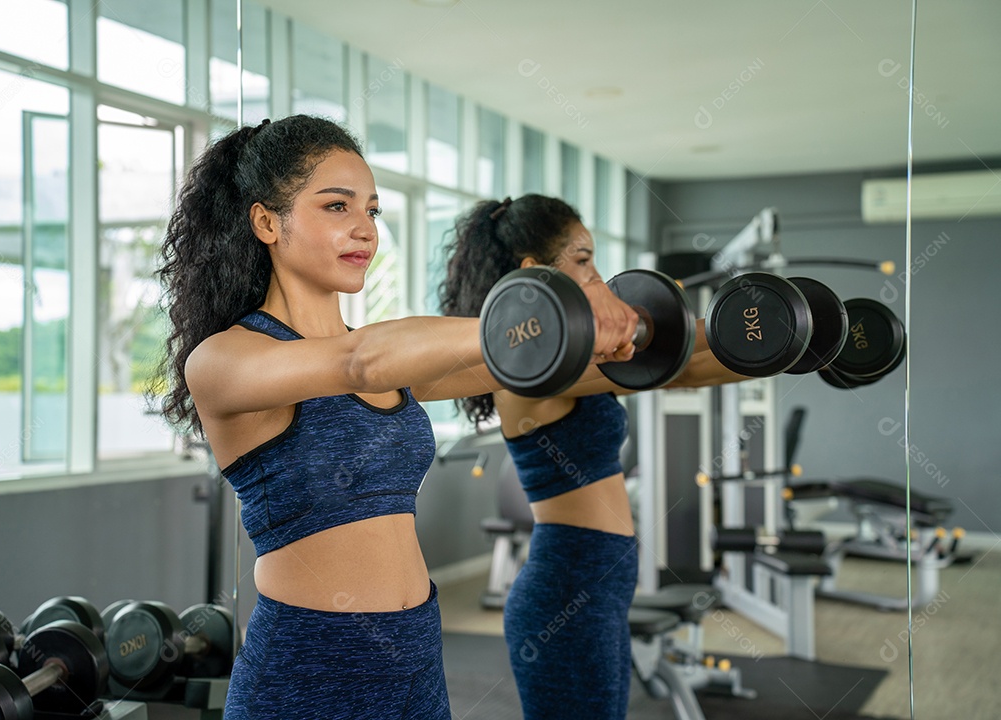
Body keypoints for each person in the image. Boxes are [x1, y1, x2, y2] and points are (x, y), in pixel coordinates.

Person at [154, 116, 639, 720]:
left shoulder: (384, 357)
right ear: (266, 222)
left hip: (415, 658)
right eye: (336, 206)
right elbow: (358, 363)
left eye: (373, 211)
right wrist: (561, 308)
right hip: (313, 667)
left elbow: (519, 361)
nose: (363, 229)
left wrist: (600, 332)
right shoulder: (227, 358)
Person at [439, 194, 747, 720]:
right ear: (535, 275)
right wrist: (765, 339)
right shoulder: (535, 371)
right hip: (566, 593)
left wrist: (791, 347)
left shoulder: (573, 364)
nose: (598, 277)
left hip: (591, 588)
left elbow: (684, 364)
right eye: (583, 261)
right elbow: (679, 362)